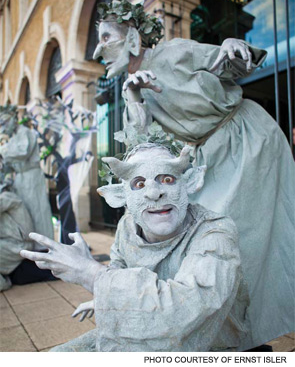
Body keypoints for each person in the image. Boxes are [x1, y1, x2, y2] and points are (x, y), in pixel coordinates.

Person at [92, 0, 295, 349]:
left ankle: (246, 334)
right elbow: (140, 146)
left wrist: (234, 45)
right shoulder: (134, 85)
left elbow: (228, 62)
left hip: (246, 140)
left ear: (132, 39)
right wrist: (133, 97)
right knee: (211, 237)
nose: (99, 50)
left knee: (240, 234)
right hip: (209, 155)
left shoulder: (173, 51)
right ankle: (234, 333)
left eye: (106, 37)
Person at [21, 143, 250, 352]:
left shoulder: (216, 232)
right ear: (122, 197)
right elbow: (119, 266)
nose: (153, 192)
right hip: (141, 326)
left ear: (189, 182)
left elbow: (186, 310)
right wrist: (109, 296)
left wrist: (90, 274)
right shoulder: (127, 226)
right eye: (139, 184)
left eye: (167, 179)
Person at [0, 105, 54, 243]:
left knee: (37, 211)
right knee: (25, 212)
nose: (3, 126)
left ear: (13, 119)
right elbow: (10, 163)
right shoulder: (12, 137)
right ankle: (29, 243)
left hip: (31, 177)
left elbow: (22, 152)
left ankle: (43, 244)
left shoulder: (25, 132)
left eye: (5, 122)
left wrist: (3, 151)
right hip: (20, 178)